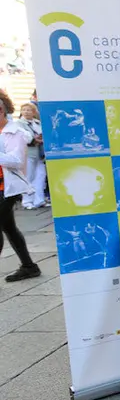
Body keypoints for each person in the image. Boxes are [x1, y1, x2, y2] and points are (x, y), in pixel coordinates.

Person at [0, 90, 41, 282]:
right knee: (9, 227)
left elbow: (16, 160)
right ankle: (29, 266)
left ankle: (29, 266)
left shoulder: (14, 131)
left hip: (8, 189)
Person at [19, 103, 47, 209]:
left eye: (29, 110)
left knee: (40, 176)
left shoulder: (37, 123)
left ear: (34, 112)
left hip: (39, 153)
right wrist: (34, 139)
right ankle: (27, 201)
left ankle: (39, 200)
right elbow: (22, 137)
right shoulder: (19, 124)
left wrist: (41, 139)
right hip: (28, 153)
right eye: (24, 110)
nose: (26, 112)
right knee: (28, 177)